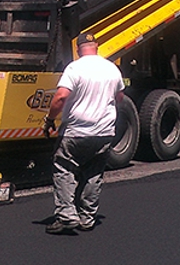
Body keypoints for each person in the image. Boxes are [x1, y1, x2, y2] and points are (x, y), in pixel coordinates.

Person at [43, 32, 124, 234]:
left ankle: (67, 215)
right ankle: (87, 218)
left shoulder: (75, 68)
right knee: (93, 174)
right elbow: (120, 97)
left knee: (64, 169)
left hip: (76, 132)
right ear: (96, 46)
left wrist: (50, 119)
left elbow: (61, 97)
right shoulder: (112, 68)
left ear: (78, 49)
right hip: (104, 132)